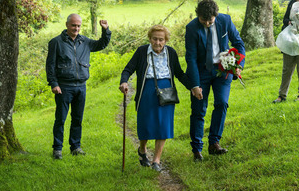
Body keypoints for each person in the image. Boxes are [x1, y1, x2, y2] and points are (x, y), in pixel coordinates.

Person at [119, 25, 191, 172]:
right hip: (147, 89)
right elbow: (128, 69)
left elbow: (179, 73)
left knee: (163, 126)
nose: (157, 42)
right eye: (154, 39)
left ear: (165, 40)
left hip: (167, 92)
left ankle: (156, 160)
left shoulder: (170, 52)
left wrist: (193, 86)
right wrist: (124, 81)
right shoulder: (142, 51)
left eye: (161, 39)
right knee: (145, 124)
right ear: (150, 39)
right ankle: (142, 149)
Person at [185, 0, 245, 161]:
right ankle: (197, 149)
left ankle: (214, 143)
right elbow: (190, 58)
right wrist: (195, 84)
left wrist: (239, 65)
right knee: (199, 109)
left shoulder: (225, 20)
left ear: (215, 16)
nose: (206, 23)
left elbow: (238, 43)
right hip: (201, 72)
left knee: (222, 103)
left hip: (223, 70)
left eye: (210, 20)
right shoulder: (191, 28)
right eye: (203, 20)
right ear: (198, 16)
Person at [46, 14, 111, 159]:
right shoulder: (56, 42)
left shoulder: (84, 41)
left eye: (79, 26)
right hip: (64, 86)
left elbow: (101, 44)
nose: (76, 28)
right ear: (67, 24)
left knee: (77, 119)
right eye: (73, 25)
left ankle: (75, 147)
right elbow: (50, 65)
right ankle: (57, 149)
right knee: (60, 119)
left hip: (81, 86)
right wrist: (54, 83)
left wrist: (106, 30)